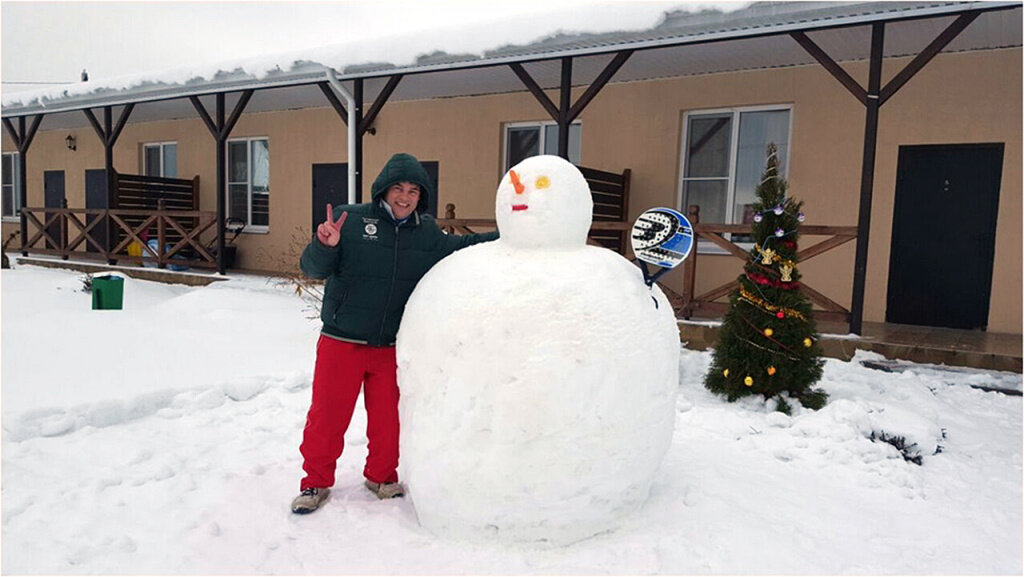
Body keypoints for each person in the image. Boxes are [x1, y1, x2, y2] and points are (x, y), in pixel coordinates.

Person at [291, 152, 498, 514]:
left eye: (413, 190)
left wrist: (510, 234)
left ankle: (381, 476)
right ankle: (315, 483)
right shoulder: (351, 221)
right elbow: (312, 268)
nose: (405, 197)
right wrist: (325, 245)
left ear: (422, 196)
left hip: (391, 345)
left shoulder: (427, 233)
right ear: (384, 190)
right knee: (328, 416)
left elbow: (463, 248)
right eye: (398, 188)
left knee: (388, 418)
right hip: (343, 340)